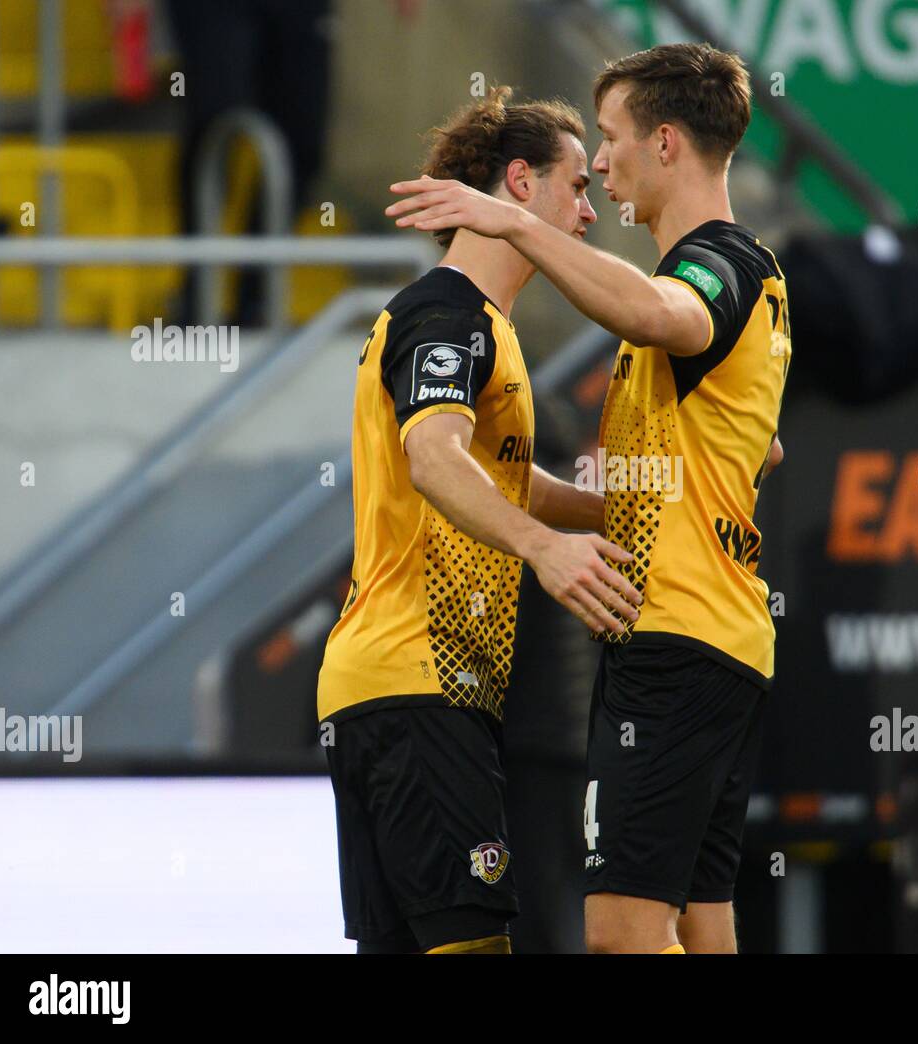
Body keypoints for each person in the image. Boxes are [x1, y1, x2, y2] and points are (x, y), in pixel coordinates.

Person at [386, 43, 790, 953]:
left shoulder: (718, 263)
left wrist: (514, 225)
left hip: (678, 640)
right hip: (714, 640)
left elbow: (671, 317)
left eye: (610, 140)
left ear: (668, 144)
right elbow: (747, 440)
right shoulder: (723, 284)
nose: (601, 165)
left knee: (617, 935)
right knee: (701, 926)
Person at [316, 88, 641, 955]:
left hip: (391, 692)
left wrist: (630, 512)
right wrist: (545, 551)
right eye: (577, 184)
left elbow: (503, 478)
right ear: (520, 183)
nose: (590, 205)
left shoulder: (478, 325)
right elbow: (435, 461)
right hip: (415, 683)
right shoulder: (447, 312)